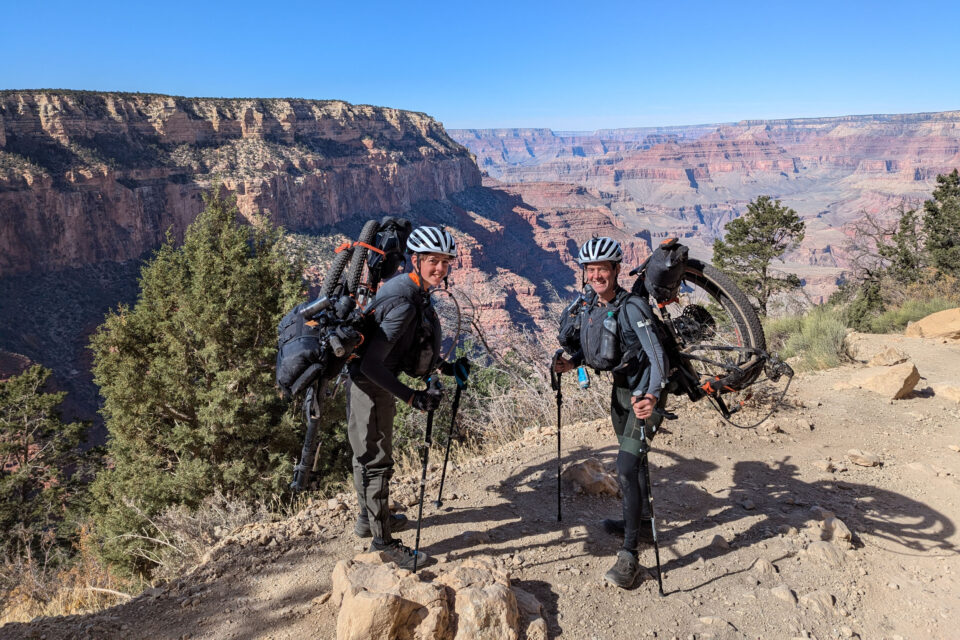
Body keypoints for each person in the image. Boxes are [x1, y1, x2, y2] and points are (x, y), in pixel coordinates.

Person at [347, 225, 470, 570]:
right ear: (416, 260)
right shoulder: (404, 300)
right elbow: (371, 364)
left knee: (369, 452)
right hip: (369, 385)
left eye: (446, 262)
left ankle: (368, 519)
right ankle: (382, 543)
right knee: (376, 461)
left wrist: (444, 367)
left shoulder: (414, 290)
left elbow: (407, 346)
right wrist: (412, 398)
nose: (441, 269)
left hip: (376, 382)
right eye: (433, 261)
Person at [553, 236, 669, 588]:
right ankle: (643, 522)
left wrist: (650, 395)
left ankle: (630, 553)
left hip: (643, 395)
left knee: (625, 466)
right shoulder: (591, 305)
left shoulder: (632, 307)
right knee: (633, 463)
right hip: (621, 394)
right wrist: (569, 363)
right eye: (591, 269)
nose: (596, 275)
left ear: (616, 270)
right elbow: (596, 350)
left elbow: (658, 358)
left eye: (603, 268)